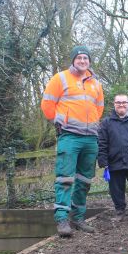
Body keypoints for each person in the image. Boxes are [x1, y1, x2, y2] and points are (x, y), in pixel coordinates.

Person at [41, 45, 104, 237]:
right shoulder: (60, 78)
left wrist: (91, 123)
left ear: (89, 61)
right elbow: (47, 105)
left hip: (90, 137)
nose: (83, 61)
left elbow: (99, 108)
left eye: (86, 58)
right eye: (79, 58)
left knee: (85, 180)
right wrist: (61, 121)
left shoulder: (96, 84)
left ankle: (78, 217)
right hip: (69, 136)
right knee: (65, 178)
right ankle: (62, 219)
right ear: (73, 60)